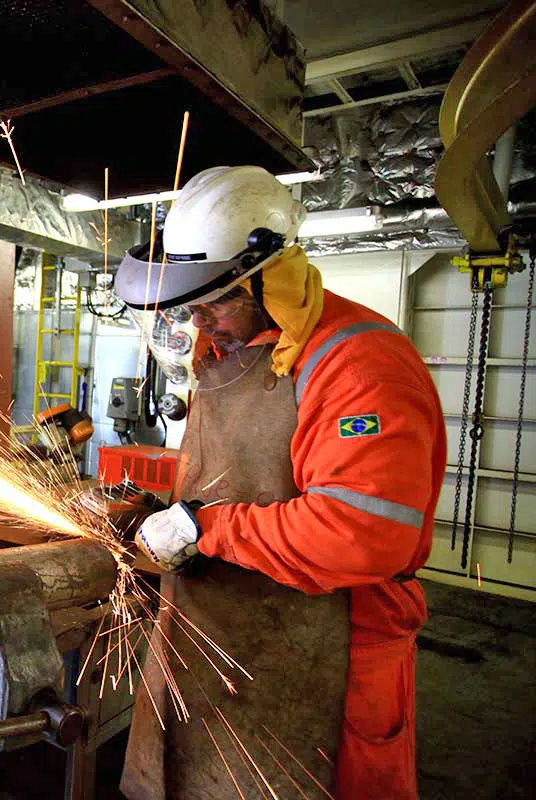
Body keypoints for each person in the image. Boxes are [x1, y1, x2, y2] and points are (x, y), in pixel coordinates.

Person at [111, 166, 444, 800]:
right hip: (212, 630)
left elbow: (361, 535)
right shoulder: (228, 352)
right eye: (191, 304)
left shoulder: (358, 362)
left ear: (271, 275)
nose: (200, 322)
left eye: (216, 301)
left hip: (332, 644)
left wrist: (205, 528)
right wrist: (171, 515)